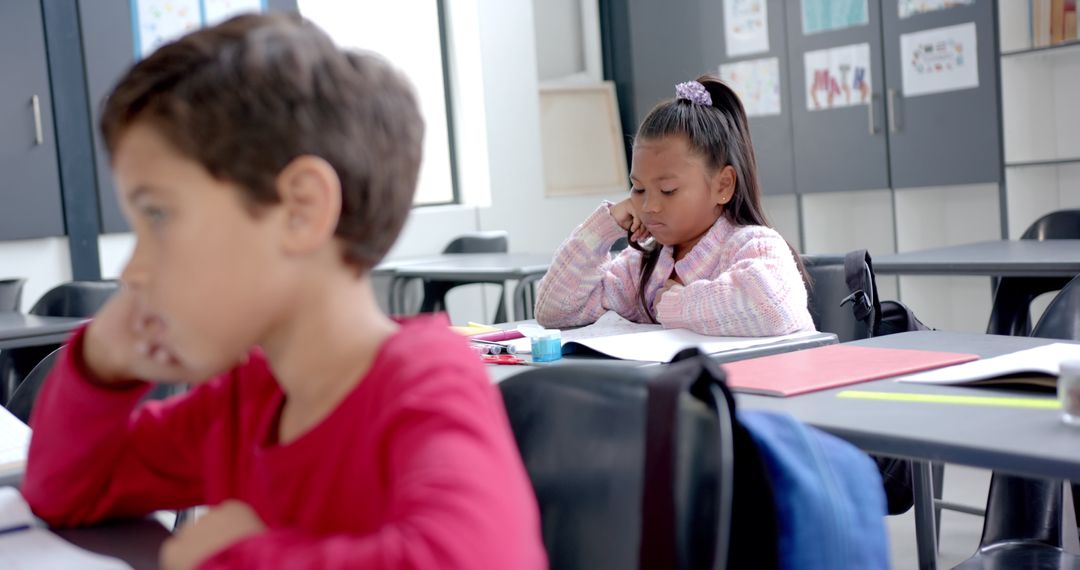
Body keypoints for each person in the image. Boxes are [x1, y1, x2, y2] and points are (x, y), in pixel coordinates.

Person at [22, 13, 545, 570]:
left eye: (158, 215)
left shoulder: (424, 385)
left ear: (301, 209)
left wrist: (226, 556)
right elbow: (68, 491)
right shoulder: (247, 400)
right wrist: (103, 367)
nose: (133, 271)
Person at [535, 75, 814, 337]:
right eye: (639, 188)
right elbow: (556, 311)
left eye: (668, 191)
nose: (649, 205)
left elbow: (772, 306)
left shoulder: (752, 244)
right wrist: (602, 229)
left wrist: (673, 305)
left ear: (723, 185)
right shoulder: (644, 265)